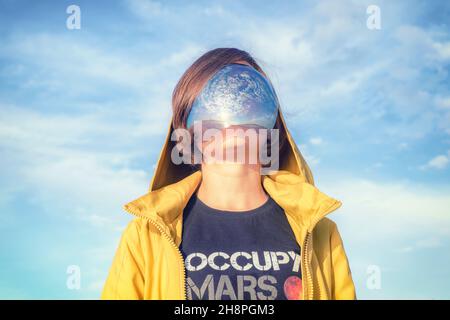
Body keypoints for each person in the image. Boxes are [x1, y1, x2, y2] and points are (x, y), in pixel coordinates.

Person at [101, 48, 356, 300]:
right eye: (215, 99)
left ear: (272, 124)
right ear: (186, 128)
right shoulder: (145, 235)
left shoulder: (321, 233)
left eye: (249, 96)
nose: (233, 115)